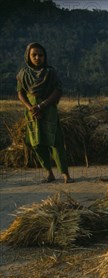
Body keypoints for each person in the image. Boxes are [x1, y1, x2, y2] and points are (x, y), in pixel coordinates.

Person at [16, 42, 73, 183]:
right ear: (28, 56)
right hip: (31, 113)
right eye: (34, 55)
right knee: (36, 143)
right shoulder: (23, 74)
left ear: (44, 56)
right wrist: (30, 107)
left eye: (40, 55)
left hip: (48, 111)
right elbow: (20, 93)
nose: (37, 57)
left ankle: (65, 174)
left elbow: (58, 90)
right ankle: (48, 173)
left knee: (55, 141)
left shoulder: (50, 73)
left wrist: (42, 105)